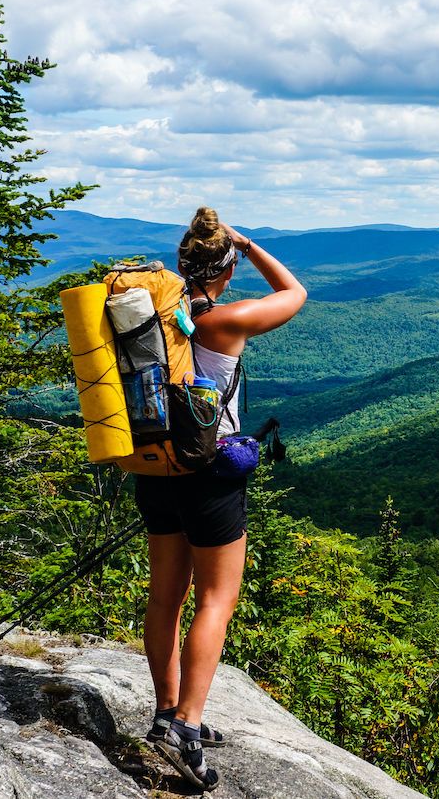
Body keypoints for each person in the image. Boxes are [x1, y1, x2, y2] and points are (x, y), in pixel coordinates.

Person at [135, 206, 306, 791]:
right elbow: (295, 291)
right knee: (216, 598)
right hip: (207, 471)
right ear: (225, 272)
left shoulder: (160, 319)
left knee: (167, 597)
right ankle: (188, 724)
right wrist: (250, 244)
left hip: (155, 465)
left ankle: (166, 711)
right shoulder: (225, 323)